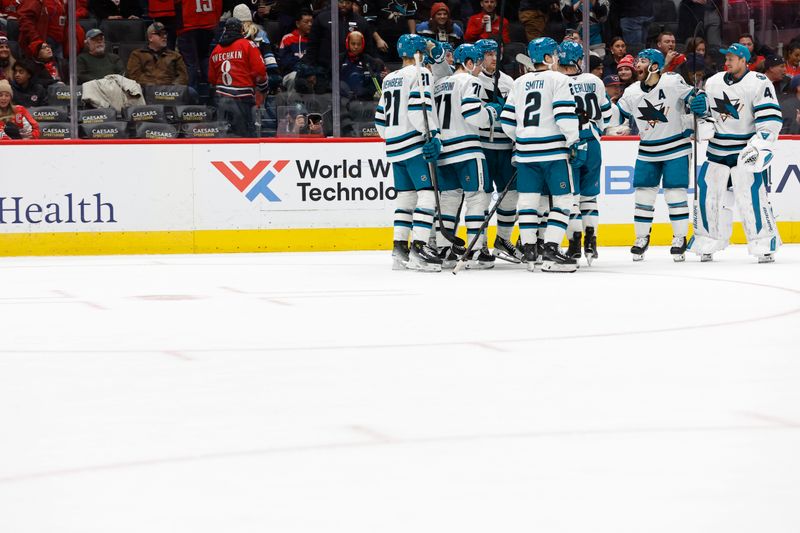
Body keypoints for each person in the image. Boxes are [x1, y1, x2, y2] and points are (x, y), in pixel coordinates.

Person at [687, 42, 783, 263]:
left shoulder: (758, 82)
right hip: (717, 151)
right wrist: (698, 110)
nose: (727, 61)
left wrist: (760, 145)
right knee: (708, 196)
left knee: (751, 197)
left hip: (745, 151)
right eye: (726, 57)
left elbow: (770, 120)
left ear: (743, 60)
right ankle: (707, 242)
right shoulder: (713, 82)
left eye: (731, 57)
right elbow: (705, 119)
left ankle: (763, 244)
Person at [499, 37, 582, 272]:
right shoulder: (559, 79)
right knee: (564, 199)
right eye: (554, 54)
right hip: (553, 151)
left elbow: (506, 120)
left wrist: (523, 139)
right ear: (547, 58)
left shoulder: (519, 82)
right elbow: (564, 115)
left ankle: (529, 251)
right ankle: (551, 249)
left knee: (527, 202)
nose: (557, 58)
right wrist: (574, 140)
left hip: (525, 153)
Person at [616, 48, 697, 262]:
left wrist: (700, 103)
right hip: (648, 150)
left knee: (675, 194)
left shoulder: (672, 81)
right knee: (643, 196)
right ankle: (642, 238)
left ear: (654, 66)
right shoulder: (632, 91)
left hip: (676, 147)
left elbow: (695, 99)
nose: (637, 65)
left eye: (642, 61)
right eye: (637, 61)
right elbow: (617, 115)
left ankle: (679, 237)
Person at [374, 34, 444, 272]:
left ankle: (399, 248)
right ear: (419, 52)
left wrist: (394, 136)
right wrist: (432, 134)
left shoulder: (389, 78)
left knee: (405, 199)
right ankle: (420, 247)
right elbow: (418, 108)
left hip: (394, 147)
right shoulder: (420, 72)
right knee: (426, 196)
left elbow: (380, 120)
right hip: (414, 144)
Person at [431, 43, 498, 269]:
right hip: (467, 149)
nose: (479, 69)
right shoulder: (471, 80)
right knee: (477, 197)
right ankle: (476, 250)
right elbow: (472, 114)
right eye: (478, 64)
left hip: (444, 151)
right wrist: (491, 113)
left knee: (449, 200)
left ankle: (444, 249)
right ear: (469, 63)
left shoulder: (439, 84)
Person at [557, 40, 611, 265]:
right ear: (579, 60)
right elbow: (606, 115)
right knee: (590, 196)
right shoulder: (593, 80)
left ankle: (575, 244)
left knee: (572, 199)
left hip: (570, 143)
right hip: (593, 141)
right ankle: (592, 241)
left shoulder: (557, 82)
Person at [473, 38, 519, 263]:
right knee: (480, 198)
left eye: (495, 54)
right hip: (482, 147)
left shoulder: (509, 81)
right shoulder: (472, 81)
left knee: (510, 196)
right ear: (479, 57)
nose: (493, 58)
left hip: (505, 147)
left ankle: (502, 239)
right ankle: (480, 244)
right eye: (488, 54)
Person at [208, 17, 266, 138]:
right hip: (242, 99)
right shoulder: (248, 44)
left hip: (221, 100)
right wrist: (263, 87)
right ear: (241, 30)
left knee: (223, 137)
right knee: (245, 137)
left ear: (225, 30)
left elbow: (212, 78)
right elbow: (260, 71)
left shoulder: (215, 50)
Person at [176, 0, 222, 92]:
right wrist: (215, 22)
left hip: (188, 25)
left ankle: (191, 94)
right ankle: (212, 89)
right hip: (208, 24)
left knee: (190, 63)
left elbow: (176, 4)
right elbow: (218, 4)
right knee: (204, 57)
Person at [17, 0, 87, 60]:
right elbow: (24, 19)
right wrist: (36, 40)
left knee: (58, 73)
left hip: (59, 43)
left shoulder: (60, 1)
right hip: (43, 42)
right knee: (44, 73)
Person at [126, 22, 189, 87]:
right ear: (150, 38)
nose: (164, 36)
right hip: (145, 90)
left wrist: (172, 88)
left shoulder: (175, 56)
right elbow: (134, 76)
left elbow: (183, 77)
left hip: (170, 91)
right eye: (160, 34)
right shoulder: (137, 55)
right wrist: (154, 86)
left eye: (165, 33)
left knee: (192, 92)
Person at [340, 30, 383, 100]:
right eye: (353, 44)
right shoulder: (340, 59)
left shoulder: (369, 60)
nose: (356, 47)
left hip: (364, 99)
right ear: (348, 43)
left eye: (358, 44)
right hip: (343, 98)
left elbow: (375, 82)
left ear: (362, 44)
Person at [278, 10, 311, 74]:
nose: (310, 24)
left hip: (311, 73)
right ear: (297, 24)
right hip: (292, 72)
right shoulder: (287, 38)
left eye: (311, 22)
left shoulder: (314, 39)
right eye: (306, 22)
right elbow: (285, 61)